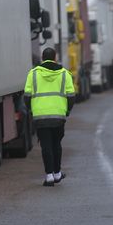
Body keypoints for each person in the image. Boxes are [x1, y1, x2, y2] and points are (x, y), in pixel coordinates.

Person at [25, 47, 76, 187]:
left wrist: (33, 109)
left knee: (46, 145)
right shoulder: (65, 74)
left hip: (40, 116)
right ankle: (57, 173)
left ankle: (49, 176)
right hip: (59, 116)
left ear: (42, 57)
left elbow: (27, 96)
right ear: (55, 58)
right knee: (56, 144)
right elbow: (71, 96)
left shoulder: (33, 74)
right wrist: (66, 111)